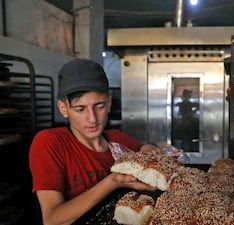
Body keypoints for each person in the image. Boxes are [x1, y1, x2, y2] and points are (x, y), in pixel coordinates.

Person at [29, 58, 160, 225]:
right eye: (80, 109)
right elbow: (52, 219)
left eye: (99, 106)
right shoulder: (50, 143)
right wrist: (114, 181)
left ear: (109, 103)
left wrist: (149, 148)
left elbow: (143, 149)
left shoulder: (116, 139)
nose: (92, 118)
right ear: (63, 108)